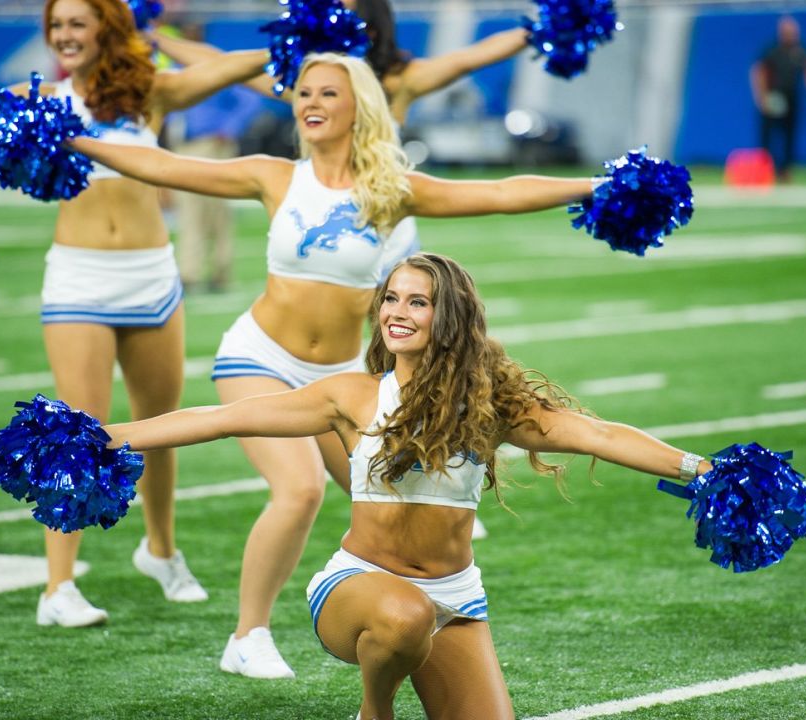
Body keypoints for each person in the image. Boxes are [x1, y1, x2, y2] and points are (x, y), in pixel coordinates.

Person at [69, 52, 602, 679]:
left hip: (344, 372)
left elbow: (500, 192)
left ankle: (411, 622)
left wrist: (597, 186)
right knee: (298, 489)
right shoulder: (273, 176)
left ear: (359, 108)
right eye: (303, 93)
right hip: (260, 354)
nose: (311, 104)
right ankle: (248, 635)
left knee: (380, 492)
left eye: (327, 93)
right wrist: (77, 140)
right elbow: (165, 165)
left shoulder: (389, 190)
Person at [93, 252, 715, 719]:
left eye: (418, 302)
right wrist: (103, 436)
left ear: (450, 316)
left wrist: (703, 471)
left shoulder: (491, 403)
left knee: (430, 625)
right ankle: (376, 710)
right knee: (404, 612)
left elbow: (599, 436)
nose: (397, 312)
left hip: (455, 598)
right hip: (358, 591)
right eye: (391, 299)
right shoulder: (351, 396)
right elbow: (220, 418)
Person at [0, 0, 270, 627]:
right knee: (76, 431)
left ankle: (161, 550)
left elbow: (225, 71)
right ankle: (58, 588)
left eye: (77, 23)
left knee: (161, 427)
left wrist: (299, 37)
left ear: (106, 29)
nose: (64, 36)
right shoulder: (39, 99)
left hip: (152, 275)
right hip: (80, 280)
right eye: (56, 26)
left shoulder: (146, 93)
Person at [154, 0, 533, 540]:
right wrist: (157, 36)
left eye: (347, 8)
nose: (334, 15)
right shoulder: (309, 87)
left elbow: (469, 59)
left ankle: (426, 475)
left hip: (389, 220)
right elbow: (224, 63)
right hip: (331, 216)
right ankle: (394, 472)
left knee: (409, 339)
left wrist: (538, 29)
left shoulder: (395, 79)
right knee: (358, 349)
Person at [164, 23, 265, 293]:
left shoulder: (216, 69)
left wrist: (228, 128)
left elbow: (250, 100)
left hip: (211, 145)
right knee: (190, 211)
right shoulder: (175, 71)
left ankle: (215, 271)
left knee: (216, 213)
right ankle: (192, 272)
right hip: (184, 146)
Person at [750, 15, 806, 181]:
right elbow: (758, 72)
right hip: (773, 97)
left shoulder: (801, 51)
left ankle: (785, 170)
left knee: (789, 136)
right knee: (768, 137)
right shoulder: (772, 50)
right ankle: (765, 170)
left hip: (791, 97)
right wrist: (761, 97)